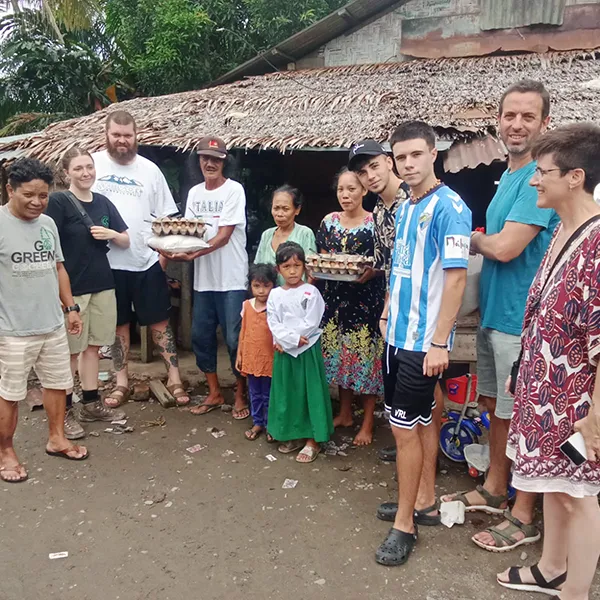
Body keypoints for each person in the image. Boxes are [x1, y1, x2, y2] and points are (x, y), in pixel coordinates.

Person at [443, 80, 559, 553]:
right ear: (498, 119)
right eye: (510, 115)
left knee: (524, 415)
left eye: (528, 116)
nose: (516, 124)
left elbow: (508, 248)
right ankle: (494, 487)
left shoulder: (537, 178)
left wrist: (468, 239)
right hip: (495, 312)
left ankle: (524, 515)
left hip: (521, 318)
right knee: (494, 408)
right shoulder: (508, 176)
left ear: (545, 123)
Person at [496, 123, 600, 599]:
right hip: (547, 394)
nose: (534, 180)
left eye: (543, 172)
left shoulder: (596, 245)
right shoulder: (565, 229)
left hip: (578, 402)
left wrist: (595, 415)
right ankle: (551, 567)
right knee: (556, 487)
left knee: (579, 498)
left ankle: (575, 590)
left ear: (575, 177)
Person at [375, 121, 471, 566]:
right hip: (397, 334)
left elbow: (455, 277)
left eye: (416, 155)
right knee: (420, 421)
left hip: (422, 344)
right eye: (401, 157)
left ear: (434, 153)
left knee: (403, 431)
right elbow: (402, 266)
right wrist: (387, 309)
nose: (408, 164)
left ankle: (405, 525)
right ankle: (424, 500)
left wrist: (439, 343)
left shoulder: (451, 208)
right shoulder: (407, 205)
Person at [348, 140, 444, 463]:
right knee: (412, 388)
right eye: (363, 172)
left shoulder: (413, 199)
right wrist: (364, 271)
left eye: (374, 166)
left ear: (389, 162)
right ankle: (412, 446)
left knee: (428, 385)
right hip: (396, 305)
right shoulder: (379, 210)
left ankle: (429, 453)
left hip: (422, 308)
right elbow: (386, 263)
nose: (370, 176)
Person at [92, 110, 190, 408]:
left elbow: (166, 218)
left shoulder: (150, 171)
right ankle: (120, 382)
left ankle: (174, 377)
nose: (122, 140)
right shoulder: (92, 165)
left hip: (146, 261)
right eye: (116, 135)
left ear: (137, 137)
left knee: (160, 321)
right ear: (107, 135)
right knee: (118, 325)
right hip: (107, 264)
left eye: (128, 135)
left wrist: (161, 257)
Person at [0, 158, 88, 483]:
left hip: (52, 325)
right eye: (29, 195)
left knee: (58, 384)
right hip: (11, 330)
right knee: (10, 393)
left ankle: (56, 438)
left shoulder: (48, 225)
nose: (38, 202)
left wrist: (71, 308)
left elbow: (58, 268)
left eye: (44, 195)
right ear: (10, 189)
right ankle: (6, 451)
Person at [46, 147, 130, 439]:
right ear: (66, 172)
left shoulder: (104, 203)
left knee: (93, 346)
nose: (85, 173)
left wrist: (112, 235)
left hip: (102, 283)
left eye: (89, 167)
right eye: (79, 168)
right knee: (69, 351)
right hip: (72, 289)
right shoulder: (58, 202)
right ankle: (65, 410)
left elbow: (126, 239)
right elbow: (47, 243)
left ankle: (91, 403)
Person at [164, 136, 248, 418]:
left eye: (216, 159)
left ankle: (240, 392)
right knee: (201, 336)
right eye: (204, 158)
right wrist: (173, 248)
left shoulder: (234, 190)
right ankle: (213, 392)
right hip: (205, 281)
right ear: (197, 161)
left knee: (235, 339)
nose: (210, 163)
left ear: (225, 162)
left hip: (232, 278)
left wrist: (191, 256)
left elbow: (223, 236)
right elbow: (191, 232)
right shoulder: (195, 193)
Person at [316, 168, 385, 446]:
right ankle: (345, 413)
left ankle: (367, 423)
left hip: (366, 303)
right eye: (341, 189)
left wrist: (373, 272)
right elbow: (322, 257)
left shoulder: (376, 222)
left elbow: (385, 262)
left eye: (352, 189)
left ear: (364, 191)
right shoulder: (329, 222)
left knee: (365, 363)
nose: (345, 195)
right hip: (334, 302)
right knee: (341, 358)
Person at [267, 242, 333, 463]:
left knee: (308, 392)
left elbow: (312, 321)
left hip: (307, 349)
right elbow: (273, 321)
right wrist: (285, 340)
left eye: (297, 265)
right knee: (289, 393)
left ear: (305, 267)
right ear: (279, 270)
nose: (293, 271)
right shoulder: (275, 295)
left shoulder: (311, 292)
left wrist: (294, 339)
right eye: (287, 266)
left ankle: (313, 439)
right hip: (284, 350)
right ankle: (292, 434)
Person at [236, 264, 277, 441]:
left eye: (266, 286)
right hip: (251, 357)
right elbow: (243, 331)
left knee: (269, 393)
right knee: (254, 392)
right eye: (256, 286)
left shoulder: (276, 306)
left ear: (273, 286)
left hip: (270, 358)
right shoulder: (247, 305)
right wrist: (240, 353)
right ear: (250, 286)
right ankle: (258, 422)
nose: (262, 291)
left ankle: (271, 425)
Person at [254, 185, 316, 285]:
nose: (279, 214)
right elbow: (257, 271)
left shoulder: (305, 234)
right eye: (276, 208)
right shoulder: (266, 235)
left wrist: (304, 294)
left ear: (297, 210)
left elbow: (311, 272)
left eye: (285, 209)